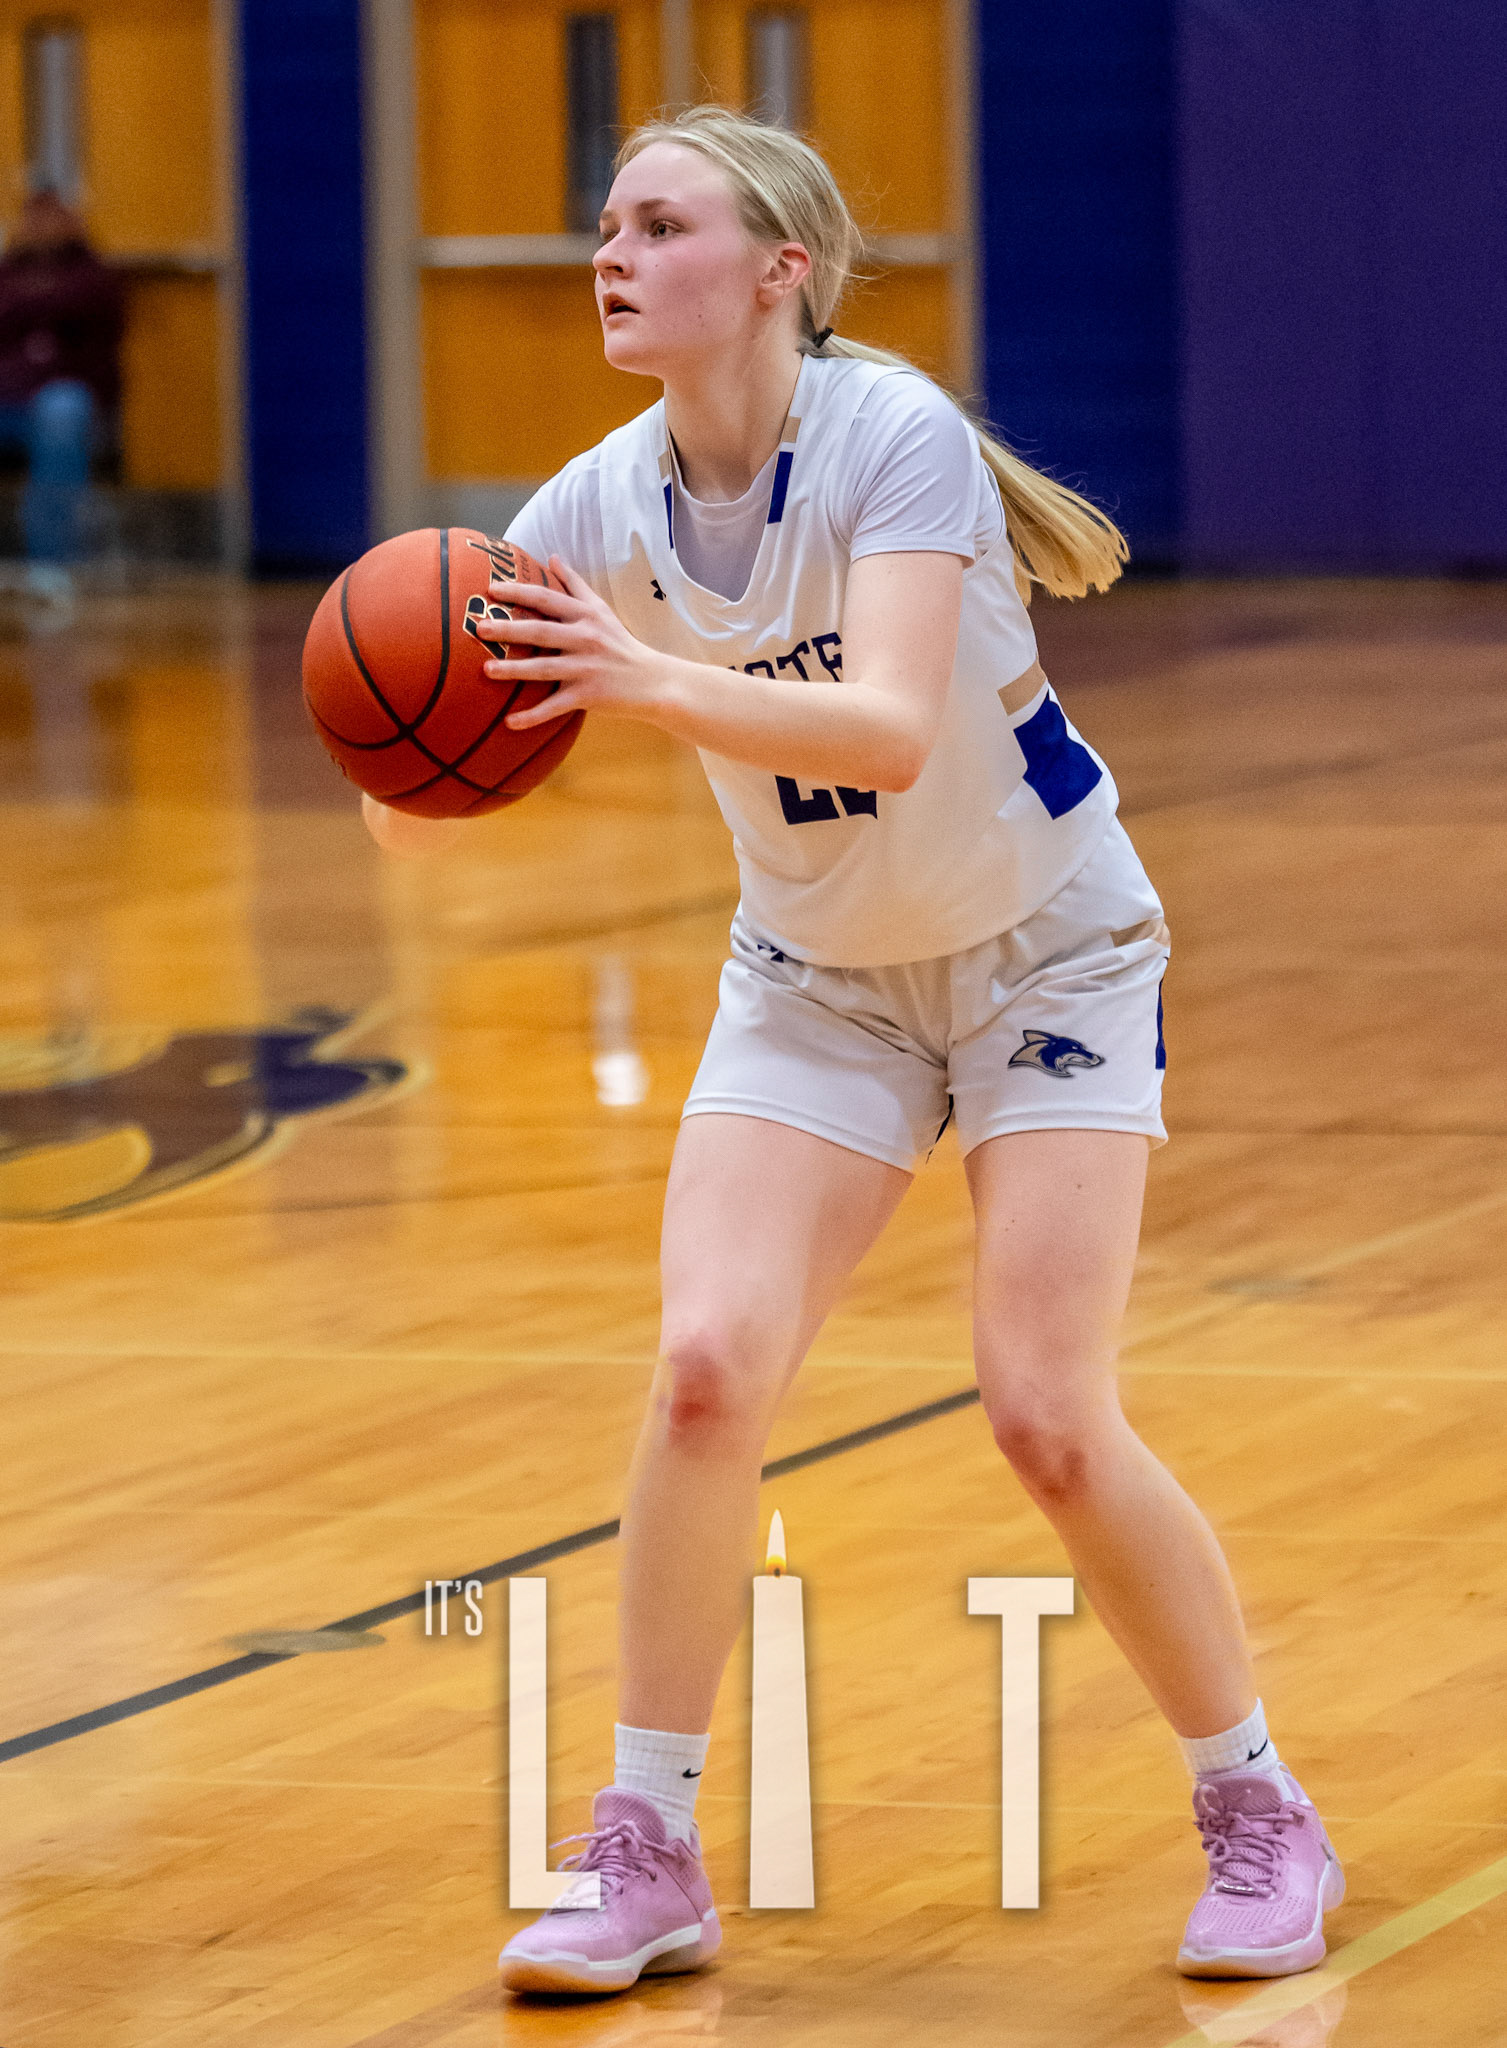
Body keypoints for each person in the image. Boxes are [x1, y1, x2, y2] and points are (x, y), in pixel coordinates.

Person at [362, 105, 1345, 1994]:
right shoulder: (591, 507)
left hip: (1048, 952)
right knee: (703, 1372)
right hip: (815, 979)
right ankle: (645, 1844)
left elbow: (889, 725)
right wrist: (415, 756)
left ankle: (1255, 1803)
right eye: (606, 225)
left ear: (776, 271)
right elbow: (415, 790)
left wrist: (642, 680)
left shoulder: (888, 436)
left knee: (1043, 1412)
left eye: (659, 224)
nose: (611, 254)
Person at [0, 188, 124, 601]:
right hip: (8, 397)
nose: (41, 226)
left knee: (61, 412)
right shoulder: (6, 272)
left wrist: (31, 301)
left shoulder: (95, 274)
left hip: (67, 395)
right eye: (33, 217)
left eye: (52, 216)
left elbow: (91, 307)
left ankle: (51, 566)